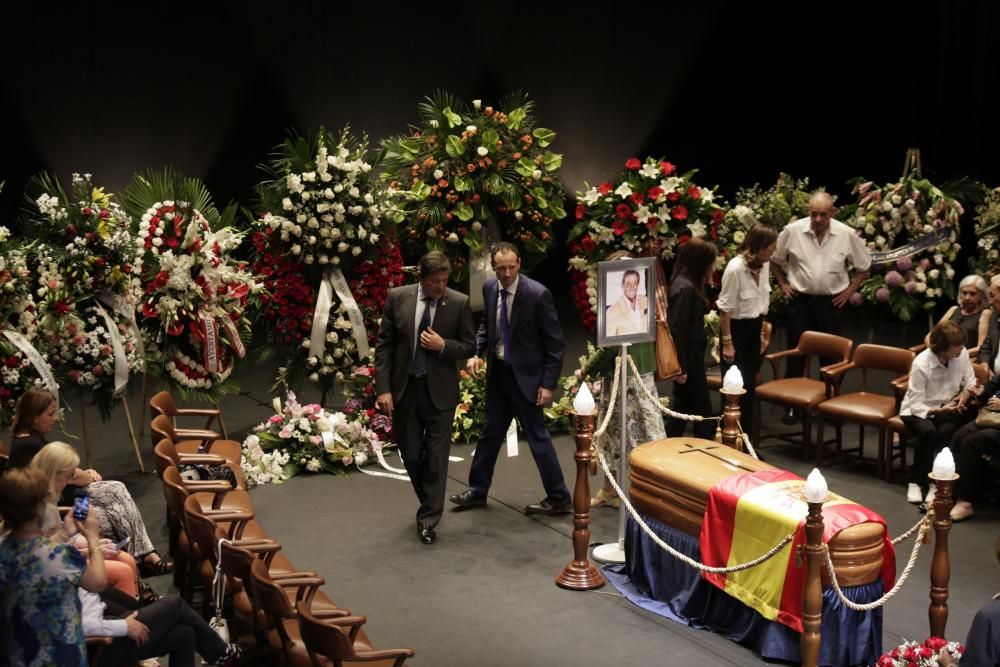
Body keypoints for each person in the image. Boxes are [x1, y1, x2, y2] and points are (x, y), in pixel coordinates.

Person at [449, 242, 573, 516]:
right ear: (493, 268)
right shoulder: (490, 289)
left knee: (538, 438)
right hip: (499, 374)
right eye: (501, 268)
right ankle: (478, 490)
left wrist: (548, 384)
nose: (506, 273)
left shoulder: (538, 295)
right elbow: (487, 326)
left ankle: (559, 496)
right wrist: (477, 352)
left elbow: (555, 345)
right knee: (489, 434)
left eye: (511, 267)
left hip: (528, 378)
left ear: (519, 265)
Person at [8, 388, 173, 576]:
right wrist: (81, 475)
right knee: (112, 515)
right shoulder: (28, 445)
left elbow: (72, 474)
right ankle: (141, 560)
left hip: (73, 497)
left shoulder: (32, 439)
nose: (55, 419)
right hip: (67, 507)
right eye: (50, 414)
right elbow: (75, 478)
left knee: (116, 490)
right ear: (33, 416)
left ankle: (144, 557)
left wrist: (80, 475)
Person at [375, 251, 475, 545]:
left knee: (435, 458)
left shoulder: (459, 302)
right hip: (406, 390)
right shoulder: (398, 298)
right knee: (411, 454)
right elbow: (385, 347)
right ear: (421, 278)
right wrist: (383, 388)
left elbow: (469, 345)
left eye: (444, 281)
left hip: (440, 393)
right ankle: (429, 502)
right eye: (434, 281)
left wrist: (444, 345)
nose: (440, 287)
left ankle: (429, 518)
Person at [771, 191, 871, 424]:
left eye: (823, 215)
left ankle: (830, 404)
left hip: (831, 301)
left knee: (832, 356)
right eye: (813, 214)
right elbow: (775, 260)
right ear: (808, 211)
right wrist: (783, 283)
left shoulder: (845, 234)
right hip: (801, 300)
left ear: (832, 213)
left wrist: (849, 290)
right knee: (796, 353)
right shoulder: (793, 231)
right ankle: (792, 405)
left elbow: (864, 267)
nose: (817, 220)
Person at [0, 466, 108, 666]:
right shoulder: (60, 555)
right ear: (40, 508)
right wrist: (92, 536)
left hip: (15, 657)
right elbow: (99, 583)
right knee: (182, 630)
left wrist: (66, 533)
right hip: (62, 657)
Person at [31, 441, 150, 601]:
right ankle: (130, 615)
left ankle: (139, 596)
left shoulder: (49, 494)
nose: (68, 482)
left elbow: (58, 538)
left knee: (127, 558)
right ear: (54, 473)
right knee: (123, 571)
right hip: (52, 565)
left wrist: (90, 543)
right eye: (67, 477)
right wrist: (92, 547)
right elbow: (43, 554)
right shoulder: (34, 505)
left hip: (62, 549)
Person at [899, 320, 976, 507]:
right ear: (943, 348)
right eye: (957, 346)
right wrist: (939, 410)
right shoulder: (921, 363)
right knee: (928, 432)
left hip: (946, 407)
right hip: (918, 410)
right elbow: (916, 404)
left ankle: (935, 482)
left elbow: (970, 380)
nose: (962, 349)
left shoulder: (962, 354)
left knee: (946, 431)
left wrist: (966, 393)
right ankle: (917, 481)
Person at [79, 586, 241, 667]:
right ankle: (222, 653)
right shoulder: (58, 566)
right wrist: (123, 626)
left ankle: (221, 654)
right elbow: (76, 626)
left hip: (105, 622)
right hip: (96, 644)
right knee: (175, 605)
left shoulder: (61, 560)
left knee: (184, 634)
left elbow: (97, 594)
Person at [717, 224, 778, 430]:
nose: (774, 251)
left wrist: (760, 332)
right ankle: (728, 438)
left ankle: (747, 442)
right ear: (759, 247)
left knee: (749, 388)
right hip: (735, 331)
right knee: (733, 389)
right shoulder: (735, 269)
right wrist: (727, 343)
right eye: (771, 247)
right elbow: (724, 309)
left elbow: (759, 304)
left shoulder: (765, 264)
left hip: (753, 328)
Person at [666, 237, 718, 439]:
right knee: (701, 410)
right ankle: (706, 450)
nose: (713, 267)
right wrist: (681, 367)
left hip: (689, 359)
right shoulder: (686, 288)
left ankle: (668, 449)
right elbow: (677, 329)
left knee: (682, 410)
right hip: (689, 360)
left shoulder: (683, 281)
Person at [948, 370, 1000, 522]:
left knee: (972, 442)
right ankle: (948, 491)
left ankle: (965, 501)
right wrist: (982, 390)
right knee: (959, 435)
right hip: (994, 417)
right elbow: (993, 386)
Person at [928, 274, 991, 360]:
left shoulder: (985, 313)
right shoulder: (953, 309)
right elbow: (930, 335)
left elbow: (981, 348)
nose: (967, 297)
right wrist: (934, 351)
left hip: (967, 358)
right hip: (942, 357)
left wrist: (953, 355)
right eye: (964, 293)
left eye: (973, 294)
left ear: (982, 295)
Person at [605, 269, 649, 337]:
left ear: (638, 285)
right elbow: (609, 341)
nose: (632, 287)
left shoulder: (646, 301)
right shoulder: (612, 311)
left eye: (635, 283)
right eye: (628, 284)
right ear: (622, 285)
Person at [977, 275, 1000, 375]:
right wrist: (985, 365)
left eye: (992, 295)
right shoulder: (995, 316)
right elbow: (985, 347)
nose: (990, 301)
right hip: (992, 379)